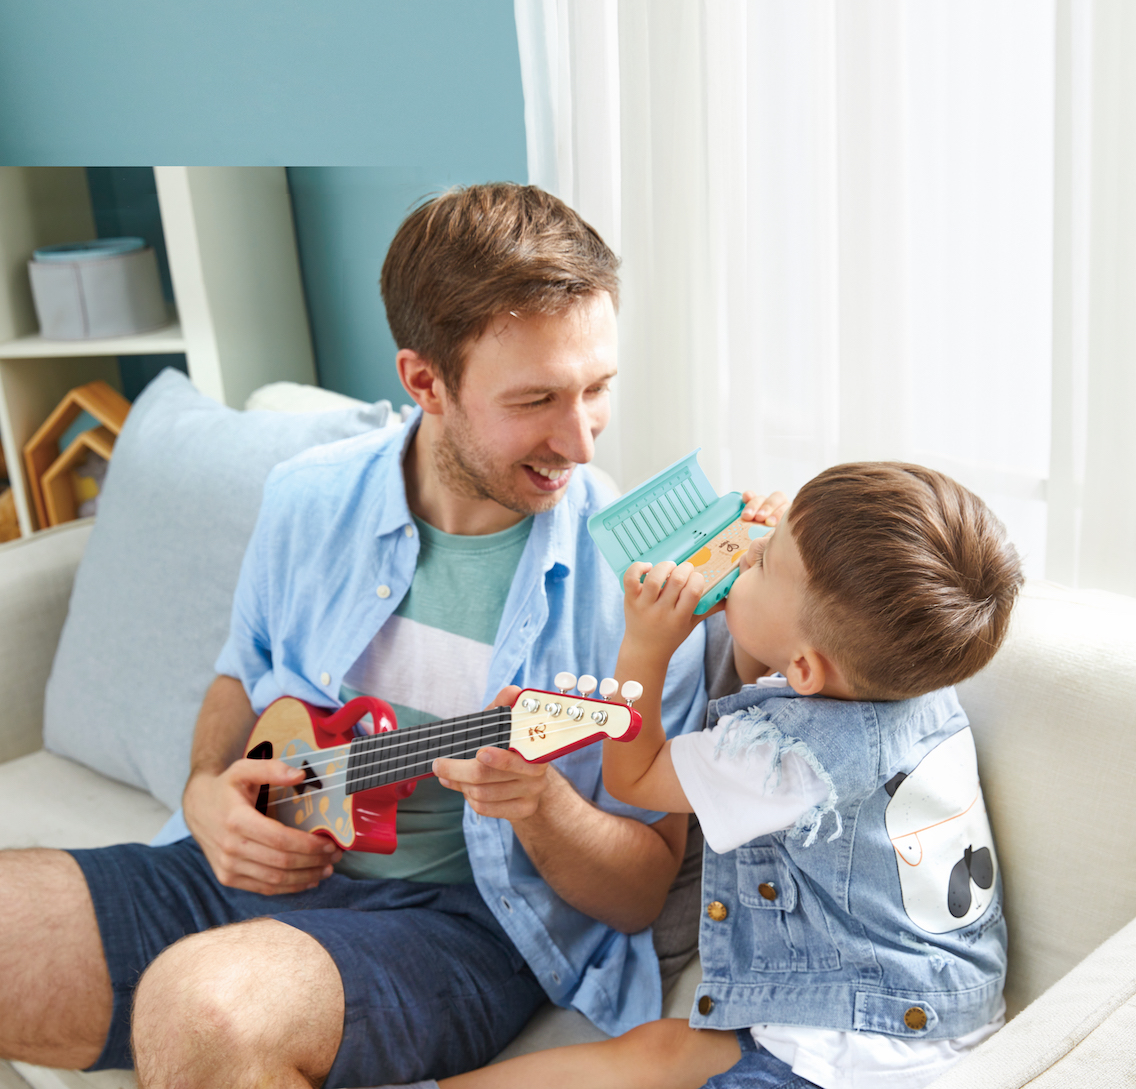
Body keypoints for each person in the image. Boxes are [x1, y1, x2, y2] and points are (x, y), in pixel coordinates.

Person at [0, 183, 787, 1089]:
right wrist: (208, 788)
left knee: (209, 1005)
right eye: (535, 399)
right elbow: (240, 676)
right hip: (255, 862)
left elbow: (644, 887)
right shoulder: (307, 500)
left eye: (598, 388)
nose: (578, 439)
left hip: (459, 922)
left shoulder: (644, 592)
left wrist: (542, 805)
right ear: (425, 382)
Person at [414, 461, 1024, 1089]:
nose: (748, 546)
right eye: (774, 530)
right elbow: (781, 670)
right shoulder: (916, 682)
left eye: (763, 561)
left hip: (848, 1059)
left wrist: (646, 647)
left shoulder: (785, 759)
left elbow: (636, 775)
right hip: (941, 1008)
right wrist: (778, 565)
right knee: (656, 1052)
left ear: (808, 666)